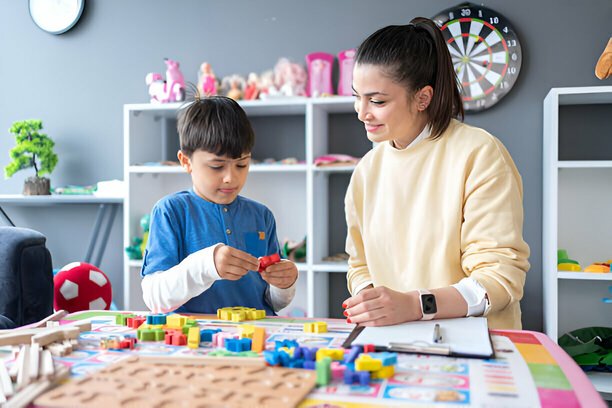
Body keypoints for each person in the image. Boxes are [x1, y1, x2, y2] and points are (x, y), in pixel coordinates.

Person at [342, 17, 530, 330]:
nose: (362, 112)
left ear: (423, 98)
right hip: (396, 340)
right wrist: (373, 301)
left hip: (478, 343)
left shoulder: (478, 152)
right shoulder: (367, 170)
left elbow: (499, 279)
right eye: (356, 97)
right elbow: (359, 265)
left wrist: (415, 305)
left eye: (376, 100)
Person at [141, 95, 298, 315]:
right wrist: (206, 265)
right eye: (217, 166)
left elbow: (272, 302)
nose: (230, 178)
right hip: (197, 341)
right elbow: (154, 297)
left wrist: (284, 285)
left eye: (241, 164)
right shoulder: (171, 211)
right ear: (186, 162)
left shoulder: (261, 215)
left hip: (256, 336)